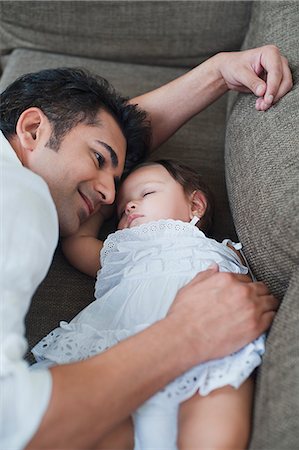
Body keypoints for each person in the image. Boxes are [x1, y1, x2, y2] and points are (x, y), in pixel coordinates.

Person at [0, 44, 291, 450]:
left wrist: (219, 73)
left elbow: (80, 134)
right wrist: (187, 333)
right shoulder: (18, 194)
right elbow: (13, 421)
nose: (108, 196)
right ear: (31, 130)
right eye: (99, 160)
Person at [32, 159, 265, 450]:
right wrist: (103, 205)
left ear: (196, 206)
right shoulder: (123, 247)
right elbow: (78, 239)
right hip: (123, 345)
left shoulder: (226, 249)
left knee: (217, 406)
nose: (129, 206)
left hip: (212, 341)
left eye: (147, 194)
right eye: (122, 208)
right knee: (105, 425)